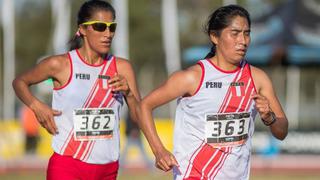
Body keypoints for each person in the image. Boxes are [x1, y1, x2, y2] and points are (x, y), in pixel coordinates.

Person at [137, 4, 288, 180]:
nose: (243, 40)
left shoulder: (258, 78)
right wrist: (158, 150)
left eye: (247, 33)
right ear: (215, 36)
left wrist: (269, 117)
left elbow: (282, 131)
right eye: (235, 33)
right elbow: (144, 106)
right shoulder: (192, 77)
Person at [12, 0, 140, 179]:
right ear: (82, 29)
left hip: (107, 168)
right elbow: (19, 82)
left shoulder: (122, 67)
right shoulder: (60, 64)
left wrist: (130, 95)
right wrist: (36, 105)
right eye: (100, 26)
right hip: (67, 165)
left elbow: (139, 116)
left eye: (112, 27)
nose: (108, 33)